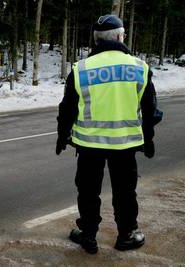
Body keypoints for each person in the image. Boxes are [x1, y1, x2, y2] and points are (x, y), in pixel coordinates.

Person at [56, 15, 162, 254]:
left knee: (88, 191)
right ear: (120, 36)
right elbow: (150, 109)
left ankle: (88, 234)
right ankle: (126, 235)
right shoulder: (139, 67)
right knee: (125, 192)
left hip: (88, 144)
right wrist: (149, 138)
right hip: (125, 145)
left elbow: (67, 108)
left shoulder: (81, 68)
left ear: (96, 40)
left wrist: (62, 136)